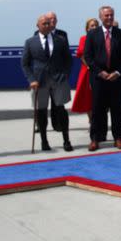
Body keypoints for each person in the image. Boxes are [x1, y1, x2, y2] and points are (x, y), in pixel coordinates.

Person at [22, 14, 74, 151]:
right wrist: (31, 79)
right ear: (37, 25)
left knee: (61, 110)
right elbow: (25, 64)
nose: (47, 25)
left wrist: (65, 75)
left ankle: (66, 140)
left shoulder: (60, 40)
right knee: (41, 112)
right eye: (44, 23)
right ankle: (44, 141)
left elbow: (68, 60)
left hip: (58, 80)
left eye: (49, 23)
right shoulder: (30, 42)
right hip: (39, 82)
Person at [84, 5, 121, 151]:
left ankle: (118, 138)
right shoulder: (92, 34)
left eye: (111, 15)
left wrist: (117, 72)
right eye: (106, 15)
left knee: (118, 109)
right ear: (100, 17)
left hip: (117, 79)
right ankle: (95, 139)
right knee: (98, 110)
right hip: (99, 79)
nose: (109, 18)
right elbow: (88, 57)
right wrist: (99, 72)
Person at [43, 11, 70, 133]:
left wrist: (65, 73)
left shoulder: (62, 34)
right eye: (50, 18)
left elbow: (66, 55)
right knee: (42, 103)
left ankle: (57, 124)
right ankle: (41, 125)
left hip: (58, 75)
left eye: (55, 18)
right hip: (43, 75)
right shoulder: (38, 34)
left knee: (57, 102)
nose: (53, 20)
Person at [70, 17, 98, 124]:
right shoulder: (83, 39)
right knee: (87, 97)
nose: (94, 27)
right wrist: (91, 67)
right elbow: (82, 55)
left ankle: (97, 120)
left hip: (100, 71)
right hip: (87, 70)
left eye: (96, 25)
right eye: (92, 25)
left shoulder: (102, 38)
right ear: (87, 28)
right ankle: (91, 119)